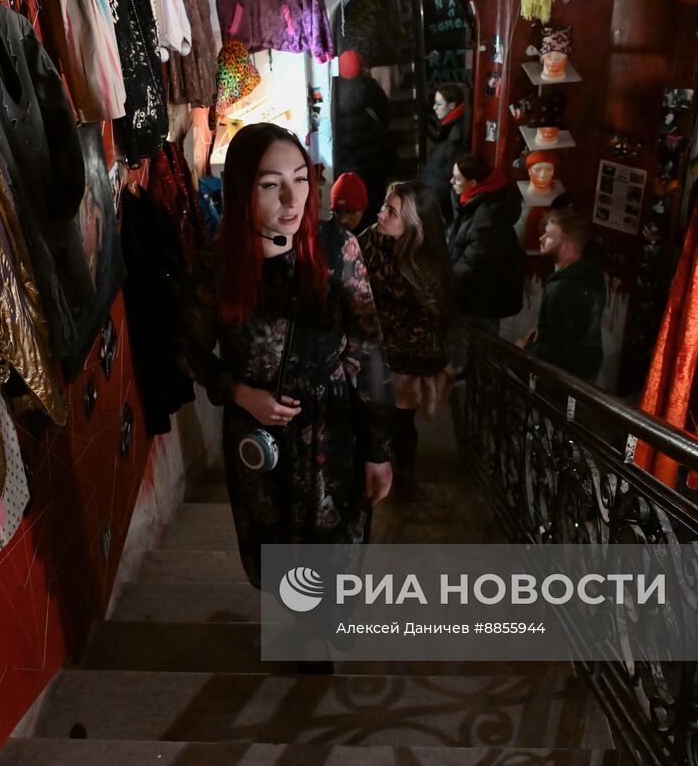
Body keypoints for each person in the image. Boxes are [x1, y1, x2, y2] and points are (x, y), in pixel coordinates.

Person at [178, 122, 394, 590]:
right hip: (258, 436)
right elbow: (187, 349)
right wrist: (239, 392)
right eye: (272, 185)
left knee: (335, 547)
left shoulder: (338, 248)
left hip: (333, 428)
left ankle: (322, 633)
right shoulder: (218, 264)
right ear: (240, 191)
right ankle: (296, 633)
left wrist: (379, 449)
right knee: (273, 551)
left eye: (301, 179)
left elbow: (368, 352)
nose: (293, 201)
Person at [359, 181, 456, 490]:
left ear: (413, 224)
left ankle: (403, 474)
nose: (380, 213)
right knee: (372, 417)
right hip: (372, 350)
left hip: (406, 358)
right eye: (384, 206)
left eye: (391, 211)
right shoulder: (370, 239)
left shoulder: (425, 262)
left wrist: (381, 344)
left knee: (399, 421)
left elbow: (426, 323)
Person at [521, 208, 605, 382]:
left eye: (549, 236)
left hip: (566, 379)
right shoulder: (593, 275)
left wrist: (526, 348)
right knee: (573, 409)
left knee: (565, 410)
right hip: (589, 365)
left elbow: (558, 355)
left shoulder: (561, 289)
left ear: (567, 246)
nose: (541, 239)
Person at [447, 153, 523, 339]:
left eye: (456, 179)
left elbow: (471, 264)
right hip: (475, 292)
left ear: (473, 184)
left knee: (482, 343)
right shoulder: (472, 201)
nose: (451, 182)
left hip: (482, 298)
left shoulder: (486, 219)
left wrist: (444, 284)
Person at [330, 50, 393, 231]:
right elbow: (385, 116)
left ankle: (354, 241)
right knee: (374, 202)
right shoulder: (371, 87)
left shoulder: (335, 91)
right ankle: (375, 236)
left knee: (353, 205)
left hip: (349, 161)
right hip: (374, 160)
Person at [422, 83, 470, 220]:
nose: (434, 108)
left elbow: (442, 176)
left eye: (439, 104)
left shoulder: (454, 135)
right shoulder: (450, 128)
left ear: (452, 106)